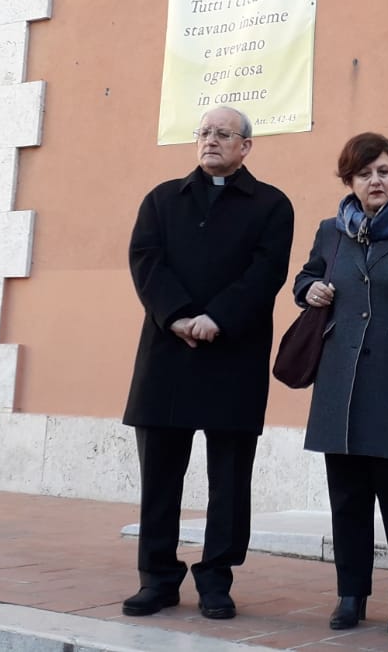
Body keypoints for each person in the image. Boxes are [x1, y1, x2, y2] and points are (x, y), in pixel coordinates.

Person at [121, 106, 294, 621]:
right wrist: (177, 316)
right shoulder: (161, 200)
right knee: (159, 479)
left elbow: (267, 272)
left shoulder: (271, 205)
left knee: (230, 481)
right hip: (167, 354)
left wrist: (217, 318)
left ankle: (216, 579)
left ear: (246, 146)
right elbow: (144, 261)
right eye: (204, 132)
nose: (211, 141)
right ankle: (157, 577)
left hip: (232, 355)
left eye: (223, 133)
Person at [293, 132, 388, 634]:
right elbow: (306, 278)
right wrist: (309, 289)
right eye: (364, 174)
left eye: (384, 170)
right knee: (347, 498)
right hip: (340, 380)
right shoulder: (329, 231)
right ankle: (351, 594)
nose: (375, 180)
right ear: (350, 181)